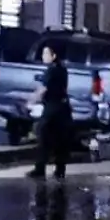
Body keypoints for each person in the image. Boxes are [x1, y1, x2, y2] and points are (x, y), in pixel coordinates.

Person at [26, 43, 73, 180]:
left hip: (53, 109)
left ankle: (40, 169)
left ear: (54, 56)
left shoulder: (51, 70)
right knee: (61, 140)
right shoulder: (62, 69)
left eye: (46, 53)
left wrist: (31, 101)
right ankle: (60, 170)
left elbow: (43, 89)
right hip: (64, 108)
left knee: (44, 138)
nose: (43, 56)